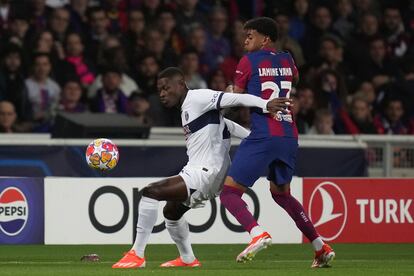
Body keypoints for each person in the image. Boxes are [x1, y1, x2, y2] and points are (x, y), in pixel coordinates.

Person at [112, 67, 291, 269]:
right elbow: (236, 130)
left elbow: (237, 100)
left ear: (180, 84)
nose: (162, 93)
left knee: (150, 193)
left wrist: (265, 104)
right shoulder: (201, 113)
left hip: (203, 173)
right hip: (209, 176)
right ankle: (188, 259)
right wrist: (263, 144)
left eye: (166, 88)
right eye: (159, 90)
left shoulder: (198, 98)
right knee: (172, 213)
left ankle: (137, 254)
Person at [218, 17, 335, 268]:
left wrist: (223, 94)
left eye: (251, 35)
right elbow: (294, 79)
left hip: (264, 135)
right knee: (281, 194)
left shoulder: (247, 61)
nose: (246, 39)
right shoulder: (288, 59)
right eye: (245, 35)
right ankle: (320, 247)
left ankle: (256, 232)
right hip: (289, 135)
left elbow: (235, 99)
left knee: (229, 193)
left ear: (266, 39)